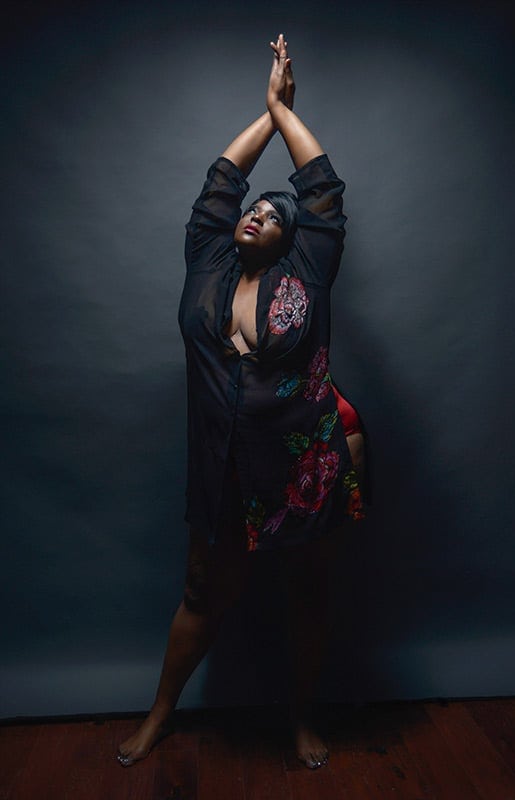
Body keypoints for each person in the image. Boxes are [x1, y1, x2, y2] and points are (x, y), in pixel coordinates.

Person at [117, 33, 367, 771]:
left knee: (307, 595)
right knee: (203, 591)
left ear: (291, 240)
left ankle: (300, 718)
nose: (257, 213)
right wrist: (267, 108)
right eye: (253, 209)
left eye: (274, 216)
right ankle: (159, 713)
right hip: (222, 465)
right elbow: (222, 179)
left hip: (304, 463)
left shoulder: (309, 270)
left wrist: (288, 116)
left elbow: (321, 187)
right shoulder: (207, 258)